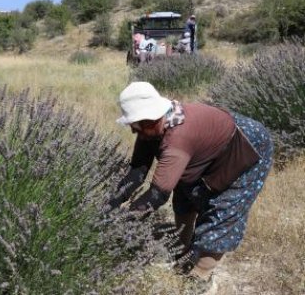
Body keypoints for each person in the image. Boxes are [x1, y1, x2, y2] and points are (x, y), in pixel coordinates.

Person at [109, 82, 273, 283]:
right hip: (210, 142)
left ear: (152, 117)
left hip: (247, 143)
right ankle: (183, 252)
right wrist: (110, 205)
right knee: (186, 193)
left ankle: (201, 275)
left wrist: (121, 221)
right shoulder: (150, 127)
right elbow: (137, 171)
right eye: (132, 126)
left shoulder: (178, 138)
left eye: (137, 125)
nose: (135, 131)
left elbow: (158, 194)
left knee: (223, 208)